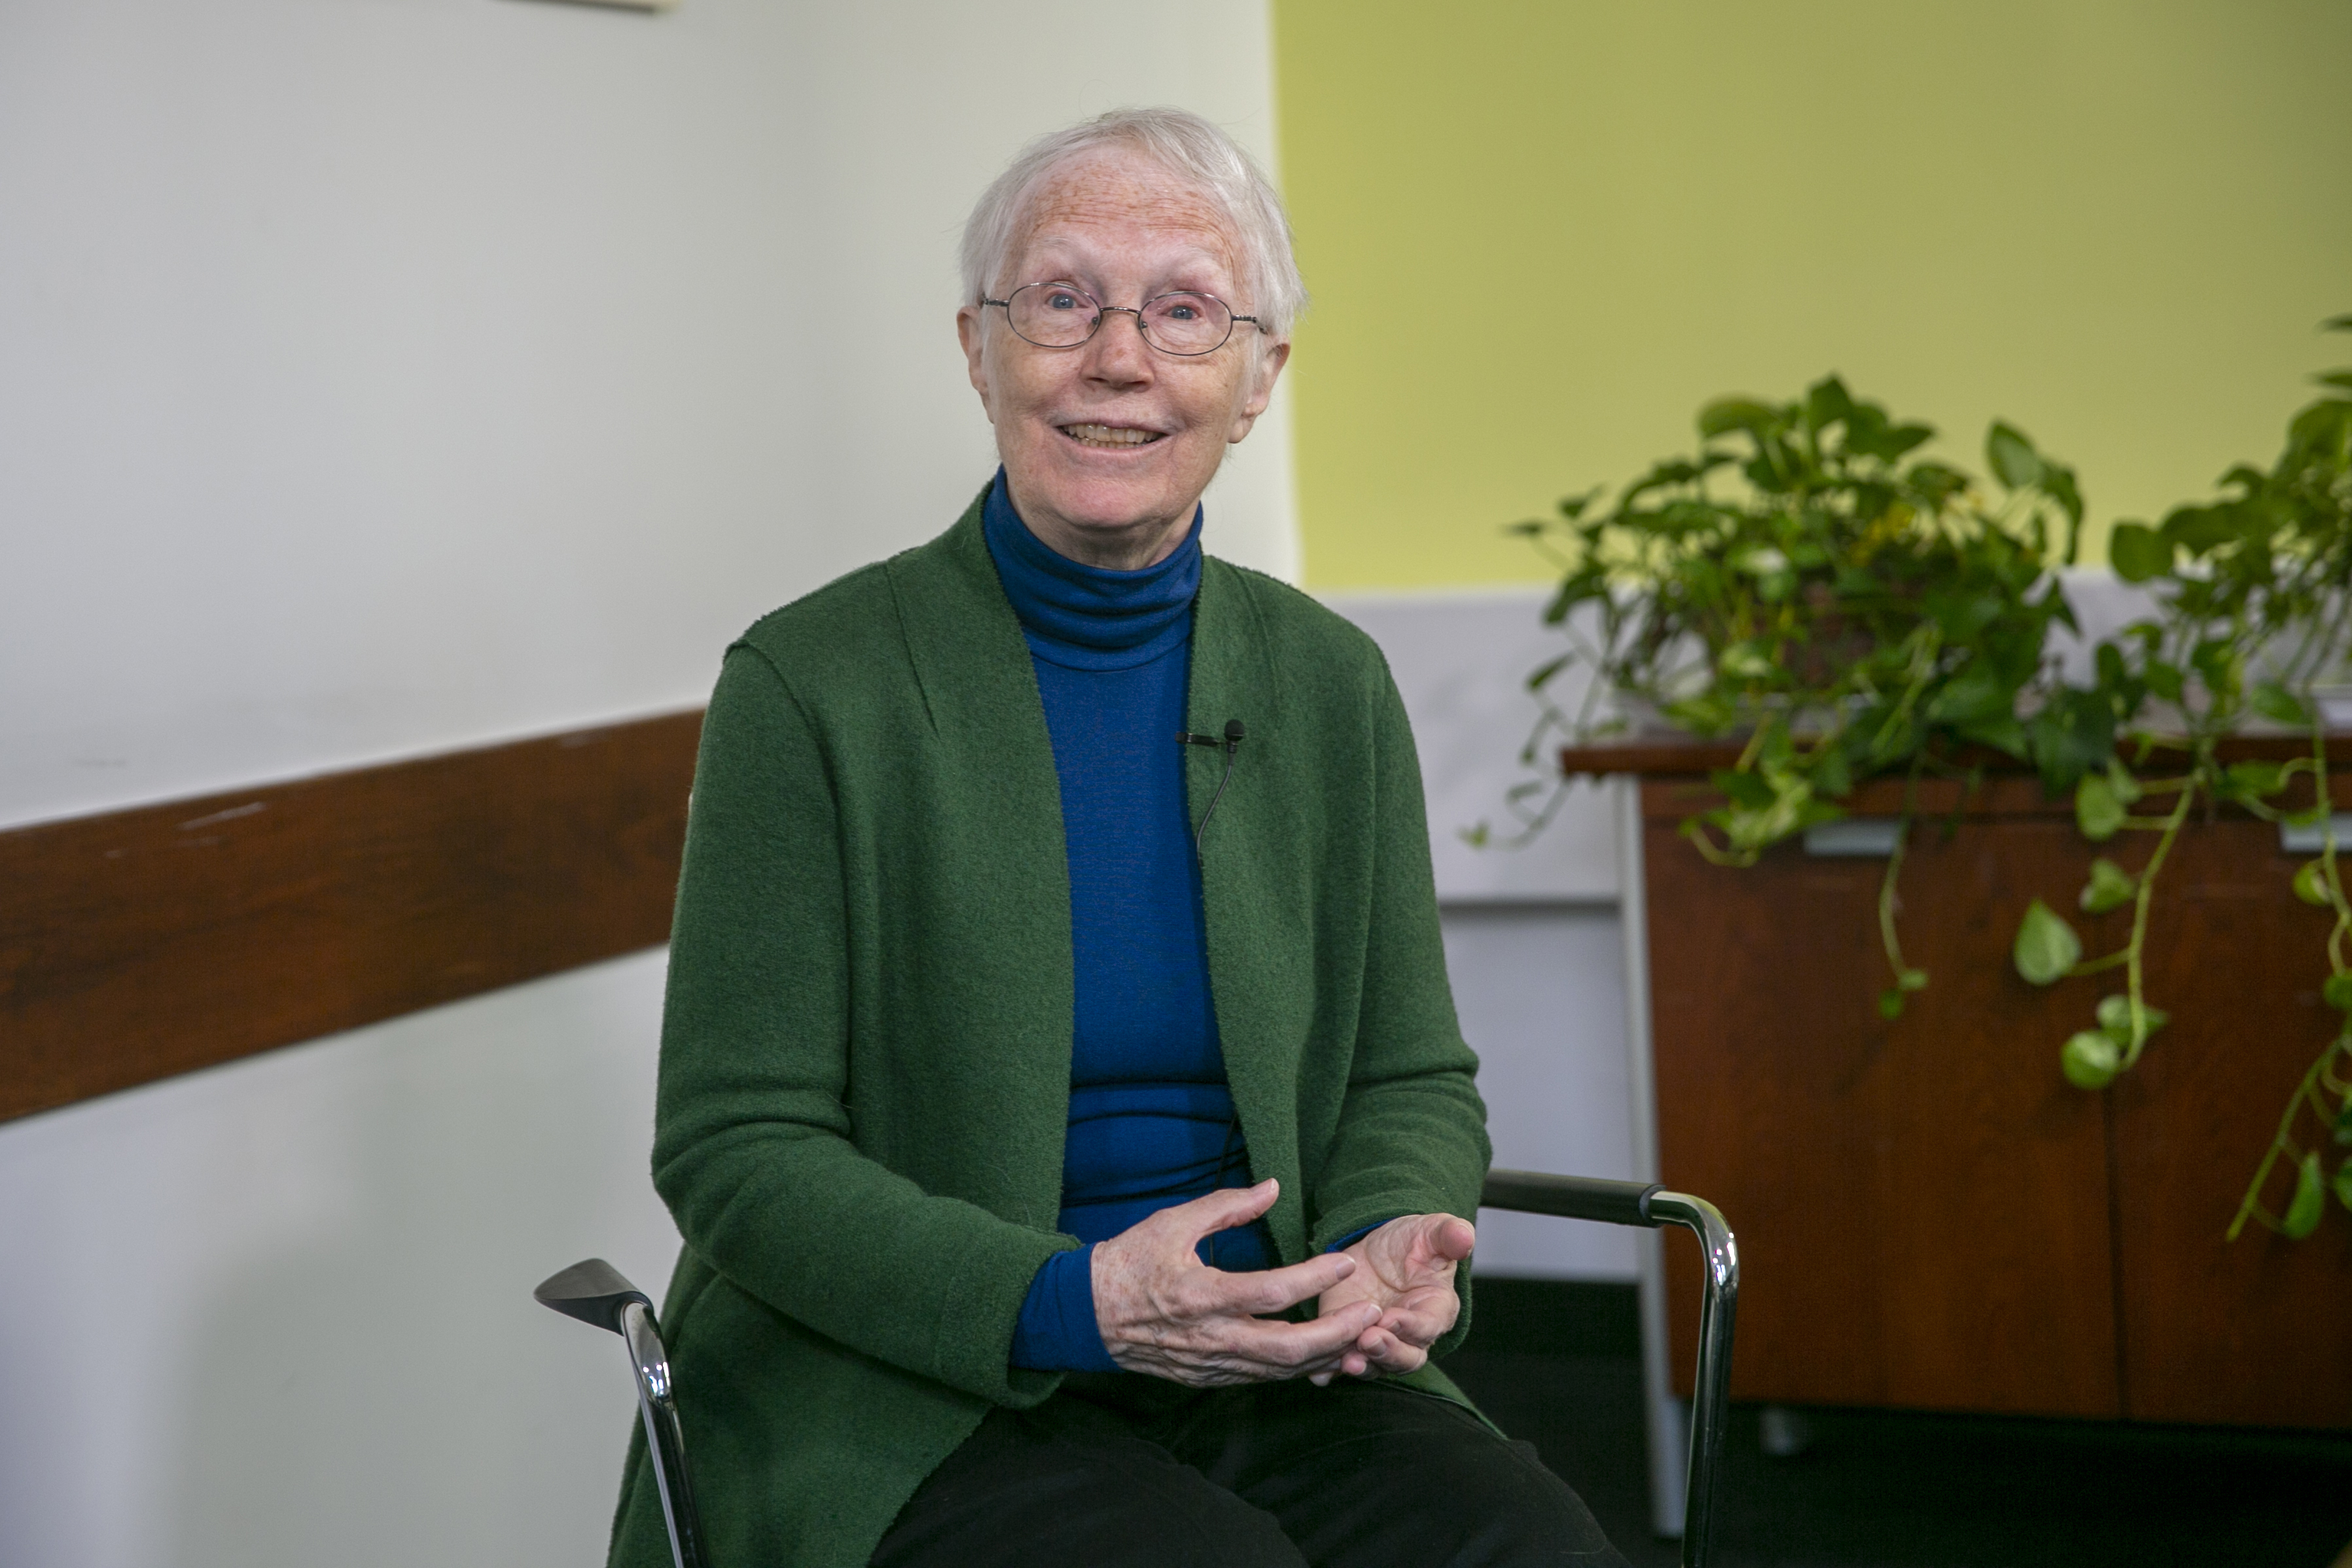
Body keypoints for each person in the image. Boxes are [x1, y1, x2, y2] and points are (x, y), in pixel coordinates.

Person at [610, 107, 1628, 1568]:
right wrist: (1075, 1298)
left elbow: (1408, 1069)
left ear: (1261, 374)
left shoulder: (1328, 683)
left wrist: (1403, 1224)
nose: (1119, 358)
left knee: (1531, 1549)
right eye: (1065, 299)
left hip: (1265, 1345)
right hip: (912, 1377)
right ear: (980, 347)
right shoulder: (810, 682)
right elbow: (736, 1145)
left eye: (1186, 311)